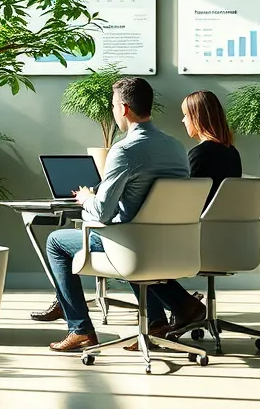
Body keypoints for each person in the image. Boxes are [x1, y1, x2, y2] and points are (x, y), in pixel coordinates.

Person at [39, 77, 202, 353]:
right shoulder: (176, 147)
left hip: (133, 245)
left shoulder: (125, 150)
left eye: (113, 105)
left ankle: (80, 329)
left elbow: (103, 211)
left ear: (124, 109)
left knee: (56, 241)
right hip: (172, 244)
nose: (113, 111)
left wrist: (87, 198)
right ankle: (171, 311)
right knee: (133, 232)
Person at [149, 89, 244, 320]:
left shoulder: (200, 155)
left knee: (142, 250)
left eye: (185, 115)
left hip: (198, 239)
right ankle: (179, 308)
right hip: (226, 240)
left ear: (198, 117)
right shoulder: (232, 153)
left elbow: (187, 202)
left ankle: (174, 311)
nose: (182, 120)